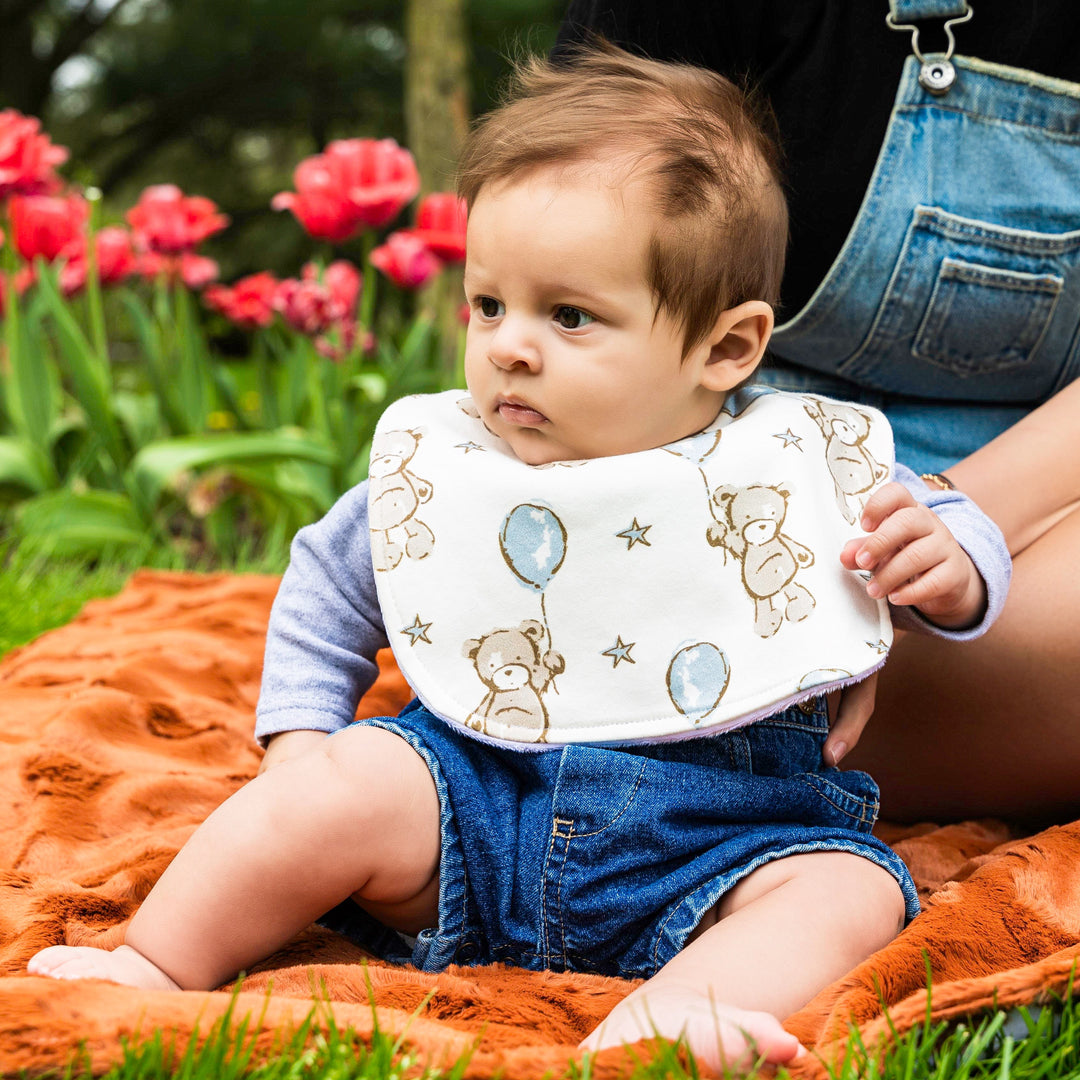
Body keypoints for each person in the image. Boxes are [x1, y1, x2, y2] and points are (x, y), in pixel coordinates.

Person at [27, 45, 1011, 1071]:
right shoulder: (456, 468)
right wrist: (300, 745)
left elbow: (950, 531)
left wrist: (956, 565)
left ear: (725, 348)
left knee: (846, 890)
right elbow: (327, 583)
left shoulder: (788, 467)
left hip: (726, 844)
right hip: (471, 810)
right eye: (489, 304)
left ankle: (668, 1025)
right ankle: (154, 960)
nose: (509, 347)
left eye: (569, 315)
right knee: (352, 779)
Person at [555, 1, 1080, 825]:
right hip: (718, 512)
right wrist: (814, 587)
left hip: (1015, 528)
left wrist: (932, 539)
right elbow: (568, 293)